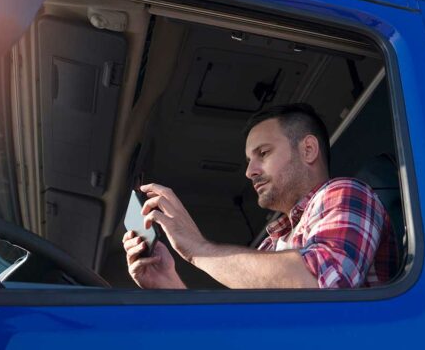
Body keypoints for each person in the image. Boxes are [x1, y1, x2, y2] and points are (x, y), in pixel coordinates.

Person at [122, 103, 397, 289]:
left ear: (309, 149)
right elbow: (240, 331)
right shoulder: (269, 247)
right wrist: (170, 284)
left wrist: (197, 249)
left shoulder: (346, 193)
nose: (250, 172)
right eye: (248, 160)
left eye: (263, 154)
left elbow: (320, 284)